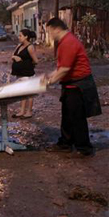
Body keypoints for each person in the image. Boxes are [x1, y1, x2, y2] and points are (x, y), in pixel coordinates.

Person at [45, 17, 101, 157]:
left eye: (50, 31)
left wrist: (49, 82)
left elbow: (64, 69)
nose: (50, 35)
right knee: (68, 116)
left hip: (78, 85)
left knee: (77, 118)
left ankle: (84, 148)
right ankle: (65, 143)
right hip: (72, 85)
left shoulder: (68, 43)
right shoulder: (65, 41)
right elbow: (60, 68)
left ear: (56, 29)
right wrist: (48, 76)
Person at [10, 29, 39, 119]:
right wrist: (15, 58)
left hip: (28, 74)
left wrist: (24, 63)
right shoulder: (19, 46)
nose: (19, 37)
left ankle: (28, 112)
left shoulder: (30, 47)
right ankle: (22, 111)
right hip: (19, 74)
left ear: (26, 37)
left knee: (29, 94)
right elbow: (12, 56)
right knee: (22, 93)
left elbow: (36, 61)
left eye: (20, 36)